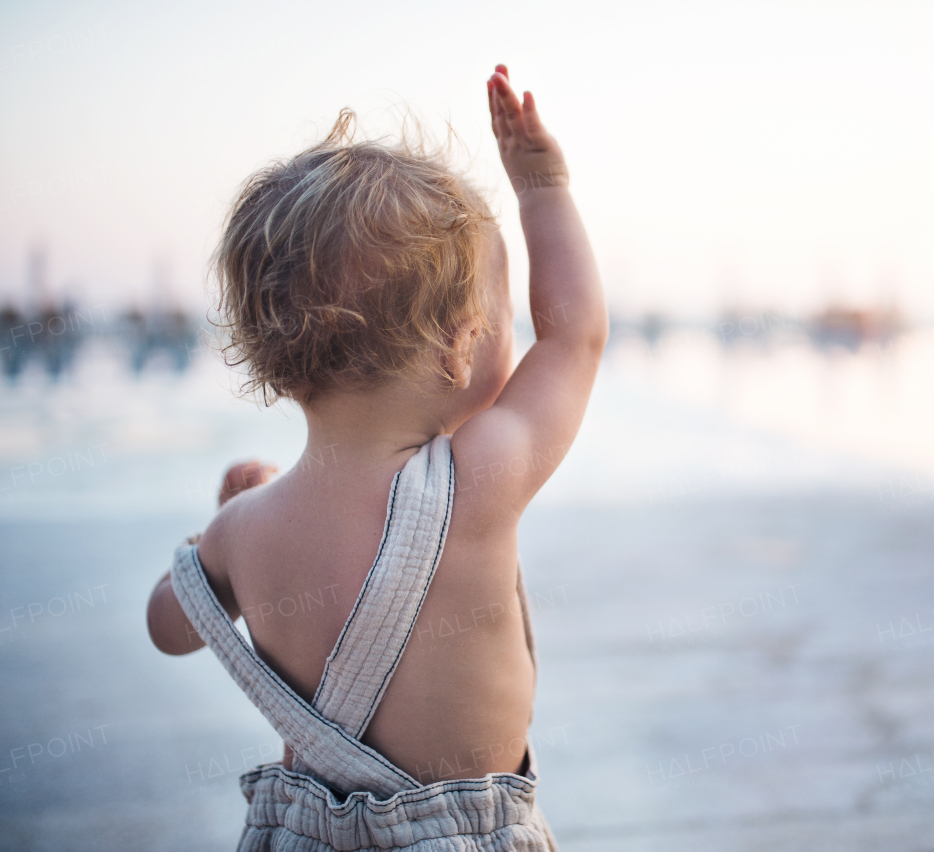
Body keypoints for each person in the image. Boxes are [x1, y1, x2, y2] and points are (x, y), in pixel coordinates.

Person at [145, 65, 606, 851]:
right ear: (462, 349)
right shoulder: (476, 480)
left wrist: (214, 533)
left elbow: (168, 624)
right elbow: (574, 336)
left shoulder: (248, 529)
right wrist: (542, 185)